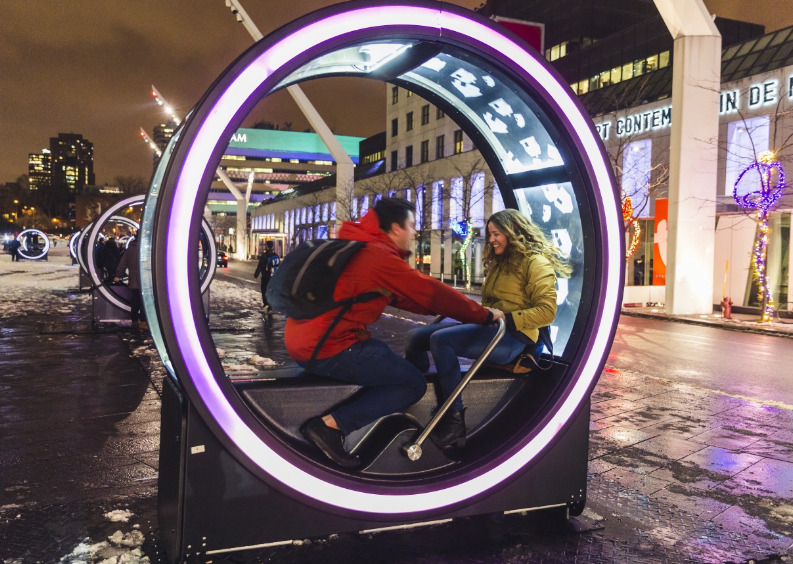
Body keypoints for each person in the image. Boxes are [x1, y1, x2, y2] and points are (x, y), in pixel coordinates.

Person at [286, 198, 499, 468]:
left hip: (309, 341)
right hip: (326, 347)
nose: (413, 233)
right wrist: (482, 314)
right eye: (411, 226)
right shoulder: (377, 256)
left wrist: (432, 308)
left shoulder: (360, 248)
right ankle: (331, 427)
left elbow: (398, 296)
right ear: (396, 228)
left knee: (383, 353)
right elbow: (429, 290)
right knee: (412, 384)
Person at [404, 209, 571, 449]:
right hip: (491, 328)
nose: (491, 239)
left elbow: (547, 311)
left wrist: (509, 318)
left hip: (512, 337)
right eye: (490, 234)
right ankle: (414, 389)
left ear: (513, 232)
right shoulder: (501, 263)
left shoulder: (536, 263)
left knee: (442, 340)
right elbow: (493, 304)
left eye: (496, 233)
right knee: (414, 337)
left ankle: (454, 420)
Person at [114, 235, 147, 330]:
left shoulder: (130, 250)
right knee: (144, 301)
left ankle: (134, 320)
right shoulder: (146, 248)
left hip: (134, 280)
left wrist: (118, 275)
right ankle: (143, 320)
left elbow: (123, 263)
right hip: (145, 279)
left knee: (135, 300)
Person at [253, 240, 280, 311]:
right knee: (271, 291)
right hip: (274, 277)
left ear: (267, 246)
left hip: (266, 276)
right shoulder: (276, 255)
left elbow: (260, 266)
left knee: (264, 290)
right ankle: (270, 305)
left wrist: (256, 275)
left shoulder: (265, 255)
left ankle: (266, 304)